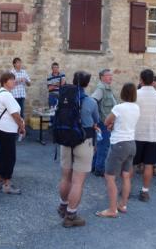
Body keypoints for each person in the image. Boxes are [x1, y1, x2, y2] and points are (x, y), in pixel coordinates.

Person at [57, 71, 99, 228]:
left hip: (65, 139)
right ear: (87, 84)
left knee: (65, 177)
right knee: (78, 182)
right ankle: (71, 215)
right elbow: (97, 120)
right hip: (83, 141)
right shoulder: (90, 102)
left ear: (73, 81)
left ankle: (63, 205)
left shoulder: (64, 97)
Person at [96, 83, 140, 218]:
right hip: (131, 143)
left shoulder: (118, 107)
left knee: (109, 177)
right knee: (126, 175)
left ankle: (112, 209)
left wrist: (111, 126)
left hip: (119, 144)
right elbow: (125, 123)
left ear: (123, 93)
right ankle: (123, 204)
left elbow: (106, 121)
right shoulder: (136, 107)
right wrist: (114, 126)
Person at [132, 69, 156, 202]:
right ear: (153, 81)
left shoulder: (136, 94)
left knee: (131, 164)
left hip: (137, 133)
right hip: (153, 134)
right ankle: (145, 191)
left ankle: (127, 188)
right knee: (149, 164)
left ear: (141, 79)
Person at [0, 72, 26, 194]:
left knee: (2, 154)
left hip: (2, 128)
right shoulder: (7, 95)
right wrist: (22, 127)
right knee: (9, 157)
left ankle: (0, 180)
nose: (14, 82)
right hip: (8, 129)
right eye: (11, 80)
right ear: (4, 81)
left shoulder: (0, 93)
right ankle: (7, 184)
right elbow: (15, 114)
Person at [91, 69, 117, 177]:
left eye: (111, 75)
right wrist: (96, 119)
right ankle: (99, 169)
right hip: (103, 122)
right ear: (102, 77)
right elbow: (92, 101)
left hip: (106, 122)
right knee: (104, 146)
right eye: (108, 75)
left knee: (101, 145)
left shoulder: (107, 88)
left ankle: (94, 166)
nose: (111, 77)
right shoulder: (101, 89)